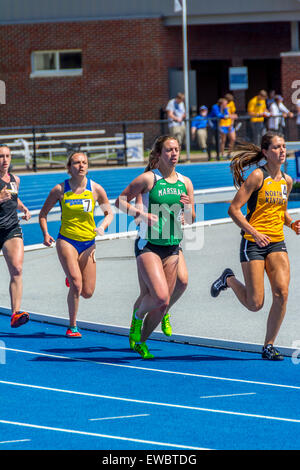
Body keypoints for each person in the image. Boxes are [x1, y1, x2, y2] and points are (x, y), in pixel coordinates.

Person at [210, 132, 300, 360]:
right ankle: (228, 278)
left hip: (276, 241)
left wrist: (292, 224)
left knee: (282, 293)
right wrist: (255, 233)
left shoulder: (287, 181)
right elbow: (234, 210)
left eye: (283, 146)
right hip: (253, 243)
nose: (282, 151)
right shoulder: (257, 177)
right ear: (265, 152)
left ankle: (268, 345)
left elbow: (281, 213)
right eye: (276, 147)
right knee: (255, 303)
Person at [115, 135, 195, 359]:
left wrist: (187, 210)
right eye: (169, 150)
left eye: (177, 149)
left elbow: (191, 219)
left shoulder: (185, 182)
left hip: (172, 246)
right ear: (159, 154)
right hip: (148, 244)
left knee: (164, 301)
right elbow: (120, 201)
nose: (174, 154)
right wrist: (140, 213)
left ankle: (141, 341)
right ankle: (137, 318)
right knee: (159, 297)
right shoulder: (149, 179)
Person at [39, 151, 113, 338]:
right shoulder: (60, 190)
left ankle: (72, 279)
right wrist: (46, 234)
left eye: (84, 162)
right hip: (67, 241)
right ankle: (72, 326)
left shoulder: (96, 189)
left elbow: (108, 213)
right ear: (69, 168)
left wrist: (102, 226)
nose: (81, 166)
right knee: (77, 284)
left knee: (87, 292)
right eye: (76, 163)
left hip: (89, 243)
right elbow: (43, 214)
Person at [0, 144, 31, 328]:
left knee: (17, 269)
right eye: (0, 156)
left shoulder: (14, 179)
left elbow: (14, 197)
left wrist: (24, 207)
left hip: (11, 228)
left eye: (7, 156)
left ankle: (15, 313)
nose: (4, 160)